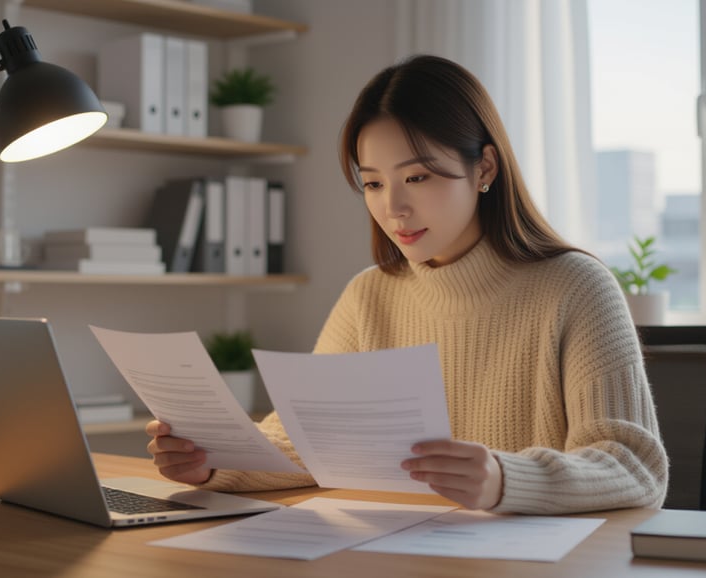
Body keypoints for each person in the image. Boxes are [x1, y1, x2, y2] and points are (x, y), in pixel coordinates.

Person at [147, 54, 668, 515]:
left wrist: (506, 480)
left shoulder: (576, 287)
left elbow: (634, 465)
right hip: (398, 553)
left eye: (417, 177)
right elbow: (306, 443)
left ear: (484, 167)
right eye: (373, 183)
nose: (392, 208)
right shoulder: (369, 296)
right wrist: (212, 467)